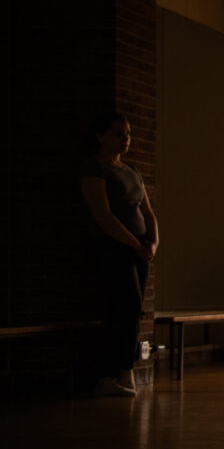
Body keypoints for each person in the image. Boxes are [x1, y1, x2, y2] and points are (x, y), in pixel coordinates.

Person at [79, 112, 159, 396]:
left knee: (132, 310)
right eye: (118, 133)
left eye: (128, 133)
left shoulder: (132, 170)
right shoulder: (95, 168)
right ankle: (114, 373)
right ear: (100, 136)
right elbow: (103, 215)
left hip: (138, 248)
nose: (125, 138)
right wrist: (134, 244)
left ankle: (122, 372)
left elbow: (147, 211)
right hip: (111, 246)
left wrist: (152, 242)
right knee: (123, 307)